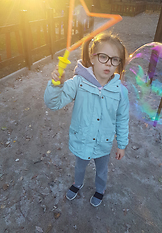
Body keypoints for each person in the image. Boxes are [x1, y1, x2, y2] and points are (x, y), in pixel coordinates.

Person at [44, 32, 129, 207]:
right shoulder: (78, 83)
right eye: (104, 57)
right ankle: (77, 183)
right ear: (93, 57)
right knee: (80, 166)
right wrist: (56, 85)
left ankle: (100, 189)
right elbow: (53, 103)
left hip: (104, 142)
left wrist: (121, 144)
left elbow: (122, 118)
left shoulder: (120, 91)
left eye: (115, 59)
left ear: (119, 63)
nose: (108, 63)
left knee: (102, 170)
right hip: (82, 139)